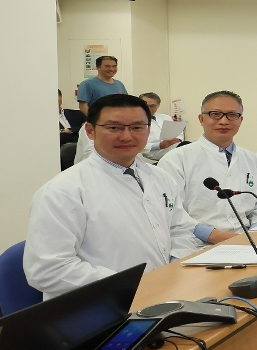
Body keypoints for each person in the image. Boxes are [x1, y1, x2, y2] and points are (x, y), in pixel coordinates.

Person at [25, 94, 233, 299]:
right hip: (102, 305)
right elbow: (47, 269)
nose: (127, 136)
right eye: (114, 128)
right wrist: (132, 285)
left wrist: (173, 271)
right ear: (90, 131)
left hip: (164, 292)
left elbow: (179, 228)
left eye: (137, 127)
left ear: (148, 130)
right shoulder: (62, 192)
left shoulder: (160, 177)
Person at [159, 90, 257, 233]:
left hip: (247, 237)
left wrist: (256, 231)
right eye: (215, 114)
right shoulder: (175, 160)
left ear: (240, 120)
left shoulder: (251, 159)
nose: (224, 121)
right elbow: (172, 213)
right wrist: (212, 235)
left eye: (232, 115)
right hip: (196, 241)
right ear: (201, 119)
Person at [140, 92, 181, 160]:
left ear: (158, 106)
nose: (148, 108)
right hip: (153, 151)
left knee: (189, 147)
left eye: (152, 106)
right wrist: (159, 145)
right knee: (184, 150)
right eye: (145, 105)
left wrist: (178, 139)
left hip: (171, 146)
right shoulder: (134, 121)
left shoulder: (165, 117)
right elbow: (136, 143)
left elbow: (178, 131)